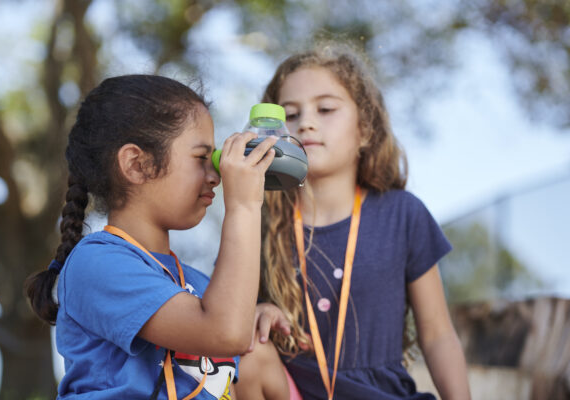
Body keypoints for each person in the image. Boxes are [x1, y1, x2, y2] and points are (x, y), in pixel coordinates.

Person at [237, 43, 471, 400]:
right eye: (291, 114)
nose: (307, 123)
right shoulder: (258, 218)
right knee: (249, 351)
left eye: (326, 108)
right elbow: (224, 317)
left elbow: (437, 332)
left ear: (365, 130)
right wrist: (255, 311)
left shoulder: (403, 213)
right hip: (294, 389)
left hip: (384, 393)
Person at [24, 74, 281, 399]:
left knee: (260, 353)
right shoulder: (97, 263)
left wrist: (253, 317)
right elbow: (224, 333)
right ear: (137, 164)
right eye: (202, 158)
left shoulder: (199, 286)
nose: (216, 175)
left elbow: (232, 333)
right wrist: (244, 205)